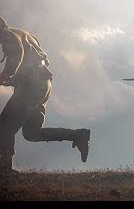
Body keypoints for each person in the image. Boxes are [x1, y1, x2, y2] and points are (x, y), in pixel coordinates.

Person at [0, 16, 90, 173]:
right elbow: (35, 62)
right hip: (42, 85)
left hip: (31, 88)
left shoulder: (8, 36)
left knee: (4, 126)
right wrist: (12, 80)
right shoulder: (24, 34)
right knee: (32, 133)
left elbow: (17, 54)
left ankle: (5, 168)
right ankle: (77, 135)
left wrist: (7, 74)